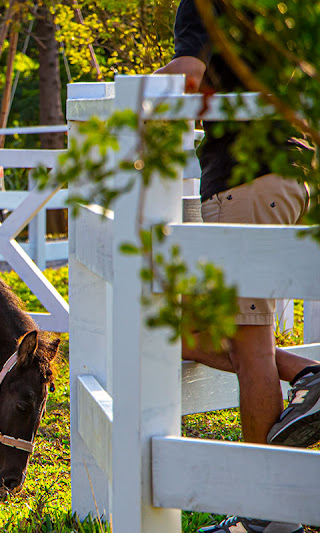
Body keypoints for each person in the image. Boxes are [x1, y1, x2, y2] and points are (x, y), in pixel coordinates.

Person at [156, 1, 320, 532]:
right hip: (290, 173)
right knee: (191, 335)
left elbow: (186, 75)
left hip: (246, 181)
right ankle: (307, 373)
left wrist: (126, 100)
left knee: (249, 349)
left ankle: (269, 518)